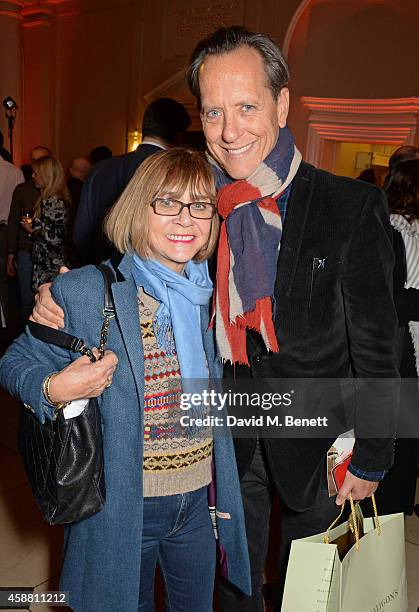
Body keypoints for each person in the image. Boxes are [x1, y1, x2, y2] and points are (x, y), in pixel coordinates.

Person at [30, 26, 400, 611]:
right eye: (213, 112)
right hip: (223, 440)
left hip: (322, 441)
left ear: (281, 103)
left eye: (247, 106)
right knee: (234, 589)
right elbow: (138, 260)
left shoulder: (348, 206)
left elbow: (383, 348)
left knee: (313, 592)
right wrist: (62, 297)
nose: (230, 132)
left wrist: (376, 455)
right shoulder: (202, 203)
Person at [0, 147, 250, 612]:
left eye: (199, 206)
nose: (185, 219)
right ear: (139, 208)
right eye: (167, 202)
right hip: (123, 506)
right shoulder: (86, 290)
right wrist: (56, 388)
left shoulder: (215, 297)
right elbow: (15, 362)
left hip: (197, 500)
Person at [73, 98, 191, 264]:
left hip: (98, 274)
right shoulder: (176, 173)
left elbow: (80, 237)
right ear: (180, 136)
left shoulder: (99, 169)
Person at [374, 158, 419, 516]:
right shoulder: (389, 229)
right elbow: (389, 299)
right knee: (399, 438)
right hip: (400, 346)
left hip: (408, 343)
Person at [7, 146, 52, 321]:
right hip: (26, 251)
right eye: (33, 159)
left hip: (48, 256)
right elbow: (13, 221)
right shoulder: (22, 189)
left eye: (40, 160)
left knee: (47, 301)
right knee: (26, 300)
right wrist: (12, 252)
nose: (35, 164)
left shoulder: (57, 194)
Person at [22, 156, 72, 290]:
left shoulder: (52, 201)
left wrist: (30, 230)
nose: (33, 176)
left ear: (46, 175)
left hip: (50, 266)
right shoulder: (56, 198)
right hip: (51, 263)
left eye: (36, 173)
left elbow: (53, 239)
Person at [0, 133, 24, 324]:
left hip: (6, 229)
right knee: (3, 280)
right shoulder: (14, 171)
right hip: (6, 229)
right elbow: (19, 207)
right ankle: (5, 320)